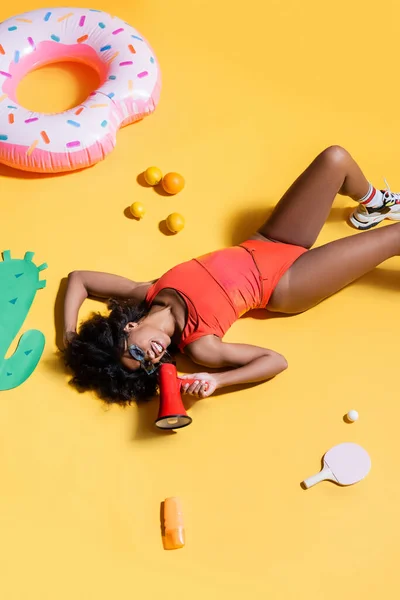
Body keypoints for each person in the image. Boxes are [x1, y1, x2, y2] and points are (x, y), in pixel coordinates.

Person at [63, 146, 400, 404]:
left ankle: (374, 204)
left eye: (136, 352)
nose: (151, 356)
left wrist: (68, 337)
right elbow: (275, 361)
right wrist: (218, 382)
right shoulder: (201, 347)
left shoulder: (148, 291)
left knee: (335, 159)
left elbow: (79, 278)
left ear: (129, 327)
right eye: (147, 364)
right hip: (287, 282)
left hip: (269, 241)